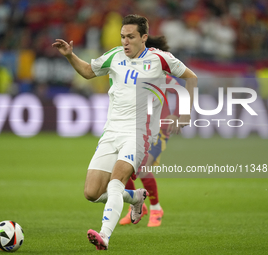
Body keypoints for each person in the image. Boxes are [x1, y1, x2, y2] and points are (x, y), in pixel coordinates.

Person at [52, 14, 197, 250]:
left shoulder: (160, 59)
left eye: (130, 37)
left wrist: (185, 114)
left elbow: (191, 78)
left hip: (139, 134)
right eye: (122, 37)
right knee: (91, 192)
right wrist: (70, 56)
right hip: (111, 132)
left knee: (116, 181)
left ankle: (104, 235)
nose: (125, 42)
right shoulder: (114, 56)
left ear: (144, 38)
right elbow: (89, 71)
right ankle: (136, 198)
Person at [119, 35, 182, 228]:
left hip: (159, 129)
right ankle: (137, 207)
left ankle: (156, 208)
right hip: (135, 127)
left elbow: (180, 90)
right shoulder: (132, 72)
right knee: (123, 168)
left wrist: (177, 115)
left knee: (142, 168)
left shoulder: (160, 75)